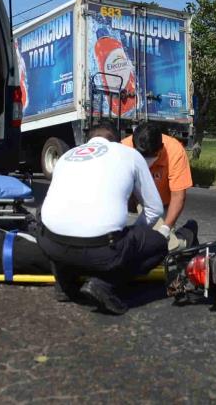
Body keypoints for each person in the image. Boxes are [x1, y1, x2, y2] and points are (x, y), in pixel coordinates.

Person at [37, 121, 165, 315]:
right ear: (117, 140)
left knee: (48, 218)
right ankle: (104, 285)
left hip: (51, 245)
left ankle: (64, 284)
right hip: (103, 251)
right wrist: (131, 235)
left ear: (89, 140)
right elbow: (154, 209)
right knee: (159, 244)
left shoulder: (66, 156)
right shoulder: (130, 155)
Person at [122, 122, 193, 243]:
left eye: (150, 156)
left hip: (164, 202)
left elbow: (178, 196)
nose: (146, 162)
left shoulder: (175, 152)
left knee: (167, 245)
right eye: (141, 156)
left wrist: (166, 229)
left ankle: (188, 233)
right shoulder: (123, 148)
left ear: (160, 148)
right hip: (142, 199)